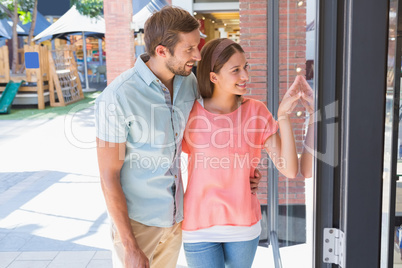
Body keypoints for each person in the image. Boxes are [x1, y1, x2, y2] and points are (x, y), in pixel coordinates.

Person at [95, 7, 261, 268]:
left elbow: (217, 127)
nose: (197, 55)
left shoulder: (190, 84)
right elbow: (108, 176)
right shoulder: (117, 97)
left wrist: (241, 175)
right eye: (189, 49)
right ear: (162, 51)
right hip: (137, 226)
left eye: (198, 46)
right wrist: (129, 245)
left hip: (176, 221)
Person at [181, 38, 302, 268]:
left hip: (243, 226)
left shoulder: (256, 111)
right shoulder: (190, 112)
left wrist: (283, 117)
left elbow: (289, 168)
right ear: (213, 77)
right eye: (236, 70)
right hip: (198, 226)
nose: (245, 76)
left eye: (246, 67)